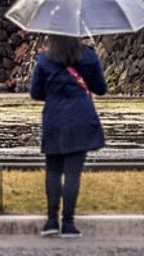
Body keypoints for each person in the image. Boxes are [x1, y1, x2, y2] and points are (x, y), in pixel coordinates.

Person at [28, 33, 107, 238]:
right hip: (80, 117)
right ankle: (69, 223)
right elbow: (101, 89)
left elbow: (36, 93)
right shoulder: (88, 56)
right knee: (73, 172)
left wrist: (54, 89)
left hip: (54, 118)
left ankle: (51, 221)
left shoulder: (45, 59)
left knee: (53, 170)